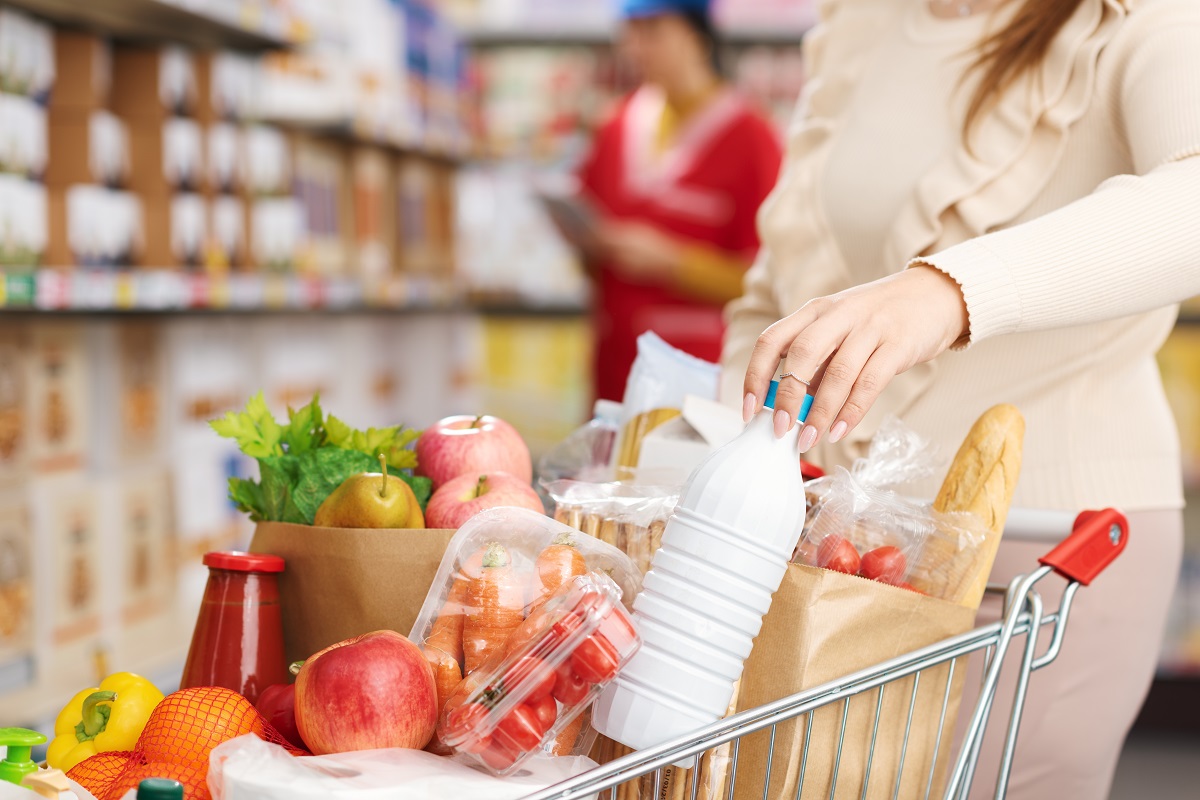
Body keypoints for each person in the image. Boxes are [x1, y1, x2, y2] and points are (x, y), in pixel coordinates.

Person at [720, 0, 1200, 796]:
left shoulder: (1139, 18)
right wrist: (736, 445)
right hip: (833, 548)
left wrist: (946, 292)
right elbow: (784, 279)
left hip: (1044, 555)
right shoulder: (859, 22)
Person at [576, 0, 783, 401]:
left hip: (698, 376)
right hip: (614, 367)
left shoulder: (751, 138)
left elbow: (768, 279)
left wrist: (670, 262)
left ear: (697, 34)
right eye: (629, 33)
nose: (634, 49)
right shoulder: (615, 126)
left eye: (651, 32)